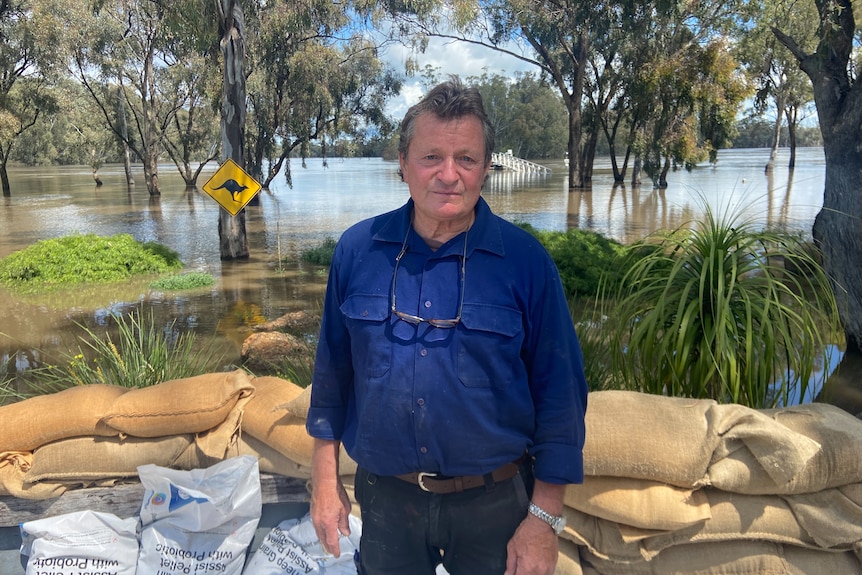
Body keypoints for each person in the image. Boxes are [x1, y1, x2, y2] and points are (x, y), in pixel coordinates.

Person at [306, 76, 588, 575]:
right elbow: (331, 379)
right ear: (403, 164)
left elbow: (561, 397)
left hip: (496, 505)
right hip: (388, 500)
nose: (448, 175)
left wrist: (544, 519)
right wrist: (325, 485)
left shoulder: (525, 262)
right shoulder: (356, 251)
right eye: (431, 156)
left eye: (467, 159)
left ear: (486, 168)